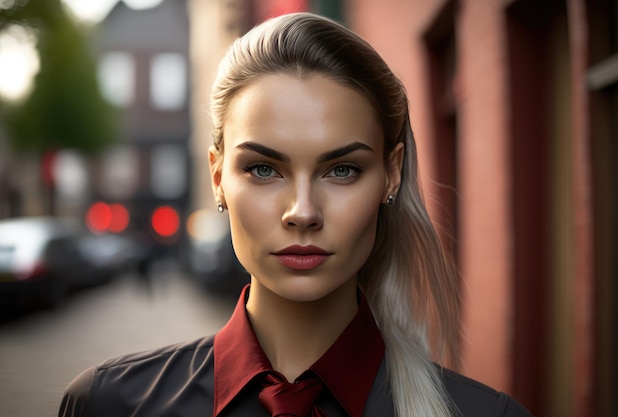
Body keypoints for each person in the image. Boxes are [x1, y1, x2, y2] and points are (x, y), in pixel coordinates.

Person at [58, 12, 532, 417]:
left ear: (391, 174)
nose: (302, 212)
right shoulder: (108, 405)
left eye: (342, 169)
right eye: (264, 169)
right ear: (218, 176)